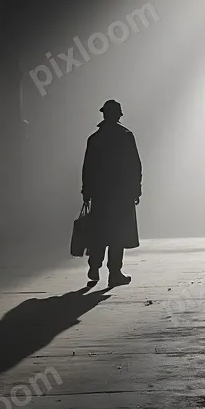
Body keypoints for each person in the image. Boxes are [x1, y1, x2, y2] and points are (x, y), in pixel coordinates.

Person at [81, 99, 141, 286]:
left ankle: (94, 265)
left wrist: (87, 191)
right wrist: (136, 189)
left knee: (99, 231)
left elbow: (88, 168)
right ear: (118, 115)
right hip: (121, 195)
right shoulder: (125, 136)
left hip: (101, 195)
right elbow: (134, 165)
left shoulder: (94, 139)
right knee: (117, 233)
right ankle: (114, 272)